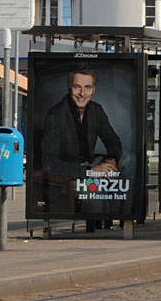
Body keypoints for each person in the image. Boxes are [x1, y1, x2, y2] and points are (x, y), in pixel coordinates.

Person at [39, 65, 122, 212]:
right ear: (69, 87)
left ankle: (126, 216)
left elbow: (113, 141)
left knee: (131, 160)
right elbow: (49, 163)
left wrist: (111, 162)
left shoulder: (96, 110)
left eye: (88, 87)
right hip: (72, 173)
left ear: (93, 90)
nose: (82, 93)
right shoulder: (55, 115)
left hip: (91, 165)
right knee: (95, 195)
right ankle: (102, 221)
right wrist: (91, 171)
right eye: (77, 87)